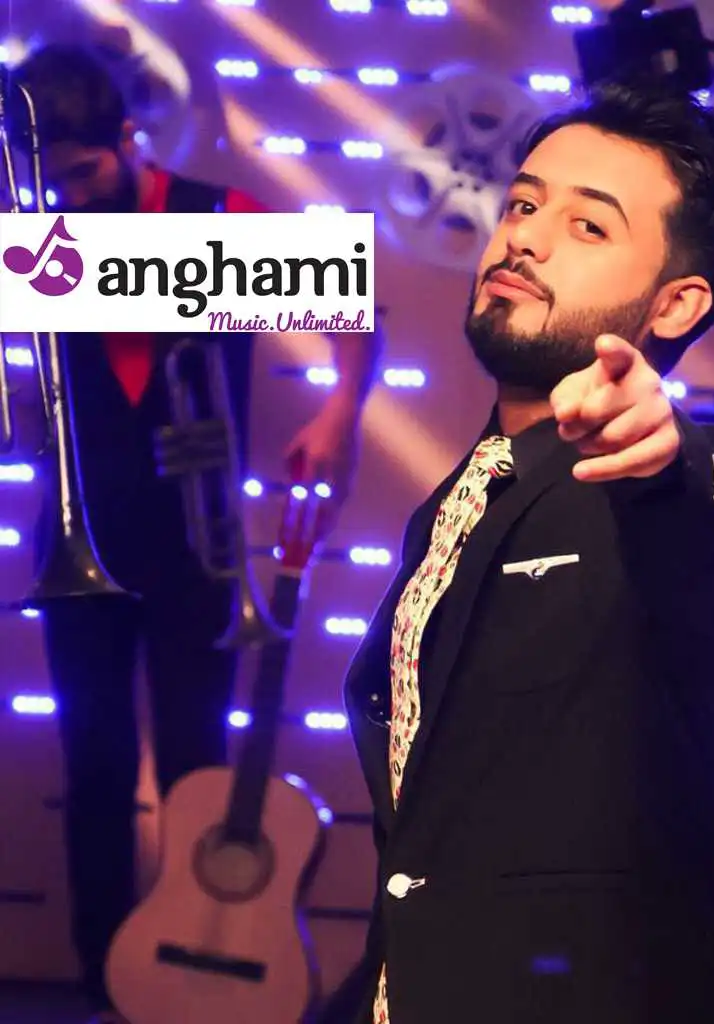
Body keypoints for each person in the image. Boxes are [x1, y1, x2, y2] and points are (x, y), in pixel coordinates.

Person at [325, 77, 714, 1024]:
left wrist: (668, 453)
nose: (526, 238)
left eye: (588, 226)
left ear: (676, 306)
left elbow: (711, 510)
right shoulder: (457, 498)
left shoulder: (684, 477)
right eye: (523, 205)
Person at [5, 44, 381, 1024]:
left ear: (128, 137)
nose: (67, 196)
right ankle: (102, 985)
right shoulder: (33, 234)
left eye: (83, 172)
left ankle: (189, 979)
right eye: (51, 179)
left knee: (195, 769)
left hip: (191, 546)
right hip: (79, 538)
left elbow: (352, 308)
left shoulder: (220, 220)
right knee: (91, 766)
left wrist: (340, 412)